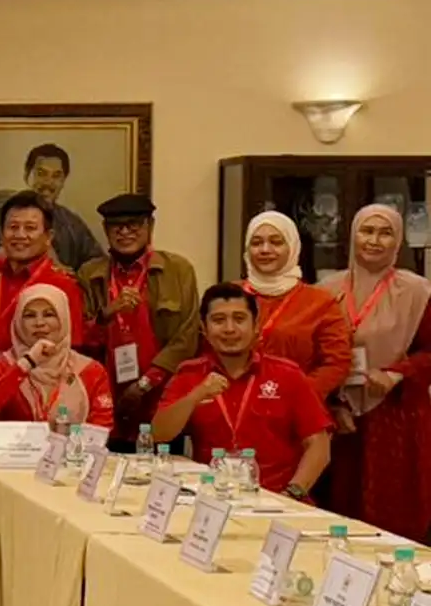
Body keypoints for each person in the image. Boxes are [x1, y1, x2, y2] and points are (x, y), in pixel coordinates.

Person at [152, 283, 333, 500]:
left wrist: (292, 493)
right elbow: (159, 434)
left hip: (278, 498)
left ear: (256, 326)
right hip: (213, 498)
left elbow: (319, 445)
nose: (229, 329)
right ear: (204, 328)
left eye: (239, 319)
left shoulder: (288, 375)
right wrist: (195, 397)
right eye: (218, 320)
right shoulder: (189, 374)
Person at [318, 205, 431, 533]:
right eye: (367, 231)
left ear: (398, 241)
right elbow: (314, 354)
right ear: (353, 235)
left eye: (385, 233)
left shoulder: (417, 292)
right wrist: (334, 403)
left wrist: (397, 373)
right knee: (340, 507)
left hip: (396, 413)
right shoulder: (326, 289)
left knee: (393, 508)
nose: (374, 241)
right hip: (339, 415)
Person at [77, 194, 200, 447]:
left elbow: (187, 338)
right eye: (116, 226)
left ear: (150, 226)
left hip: (162, 397)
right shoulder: (89, 274)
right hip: (106, 399)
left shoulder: (178, 270)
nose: (125, 232)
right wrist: (107, 314)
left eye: (133, 225)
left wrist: (144, 384)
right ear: (105, 230)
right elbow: (80, 340)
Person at [240, 211, 352, 400]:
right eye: (256, 243)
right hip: (235, 404)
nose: (265, 249)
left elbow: (336, 363)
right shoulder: (229, 296)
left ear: (292, 247)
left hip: (294, 406)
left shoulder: (319, 302)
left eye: (276, 242)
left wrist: (295, 395)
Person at [0, 285, 114, 429]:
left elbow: (102, 429)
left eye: (49, 314)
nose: (39, 323)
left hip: (73, 444)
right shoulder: (4, 365)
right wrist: (27, 363)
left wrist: (66, 441)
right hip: (14, 445)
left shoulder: (90, 370)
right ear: (18, 322)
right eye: (30, 316)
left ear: (63, 319)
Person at [0, 144, 104, 271]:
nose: (48, 182)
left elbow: (97, 264)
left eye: (56, 176)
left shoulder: (73, 225)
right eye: (41, 173)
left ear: (63, 181)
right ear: (27, 175)